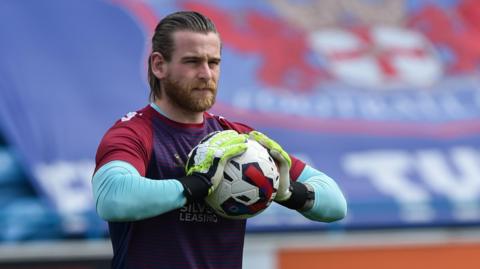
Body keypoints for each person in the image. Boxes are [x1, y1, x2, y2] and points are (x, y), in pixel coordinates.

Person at [92, 11, 347, 269]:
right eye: (192, 62)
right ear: (159, 65)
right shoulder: (135, 132)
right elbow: (112, 198)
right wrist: (196, 185)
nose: (206, 74)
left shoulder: (239, 140)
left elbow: (336, 203)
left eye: (213, 62)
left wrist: (290, 192)